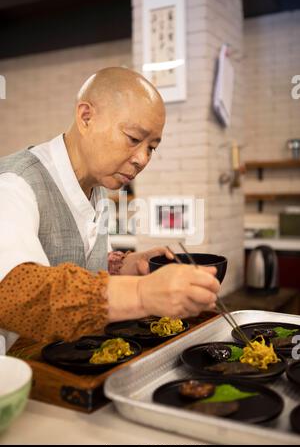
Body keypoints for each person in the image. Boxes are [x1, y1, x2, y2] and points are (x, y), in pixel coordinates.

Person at [0, 67, 220, 343]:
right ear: (86, 117)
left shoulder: (97, 185)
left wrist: (129, 266)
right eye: (133, 139)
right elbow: (16, 293)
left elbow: (83, 266)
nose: (142, 159)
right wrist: (141, 293)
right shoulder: (13, 184)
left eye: (151, 147)